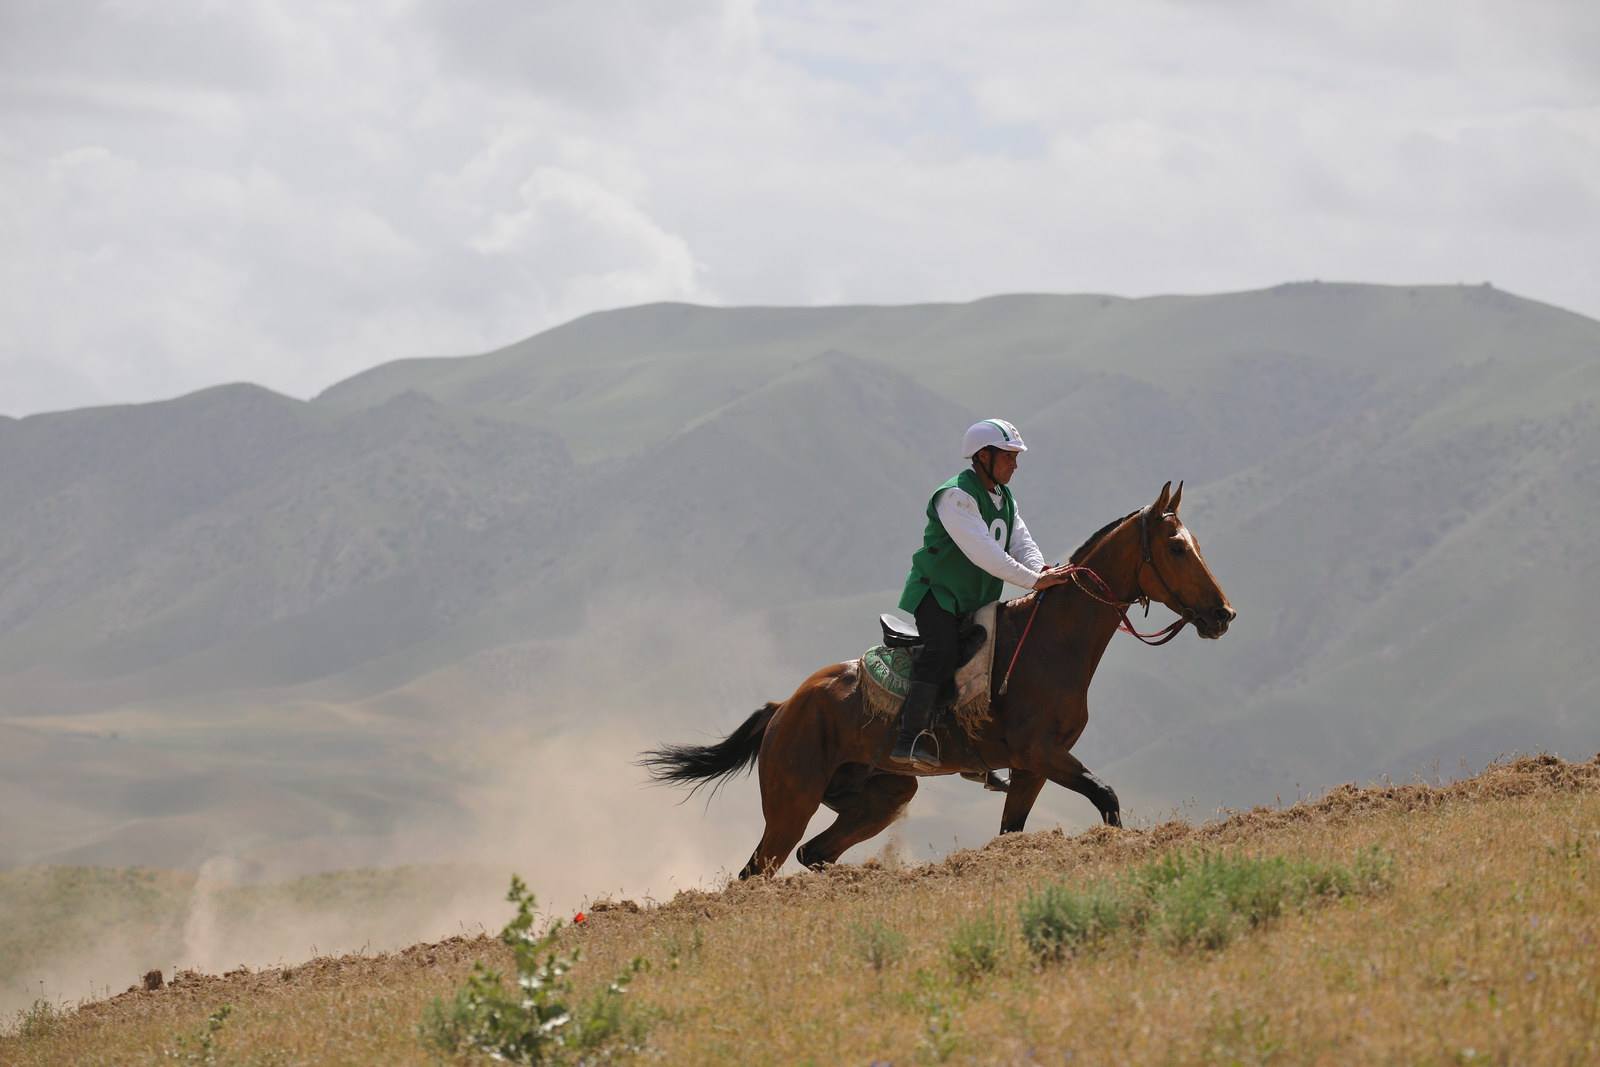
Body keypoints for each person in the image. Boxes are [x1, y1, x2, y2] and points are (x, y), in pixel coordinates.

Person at [890, 419, 1073, 771]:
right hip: (938, 596)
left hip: (975, 599)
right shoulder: (955, 496)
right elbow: (986, 553)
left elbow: (1021, 542)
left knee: (997, 659)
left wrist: (1042, 570)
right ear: (983, 456)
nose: (1015, 465)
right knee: (941, 652)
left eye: (1016, 458)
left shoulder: (1004, 498)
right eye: (1008, 457)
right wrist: (1033, 583)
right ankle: (908, 737)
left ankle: (977, 753)